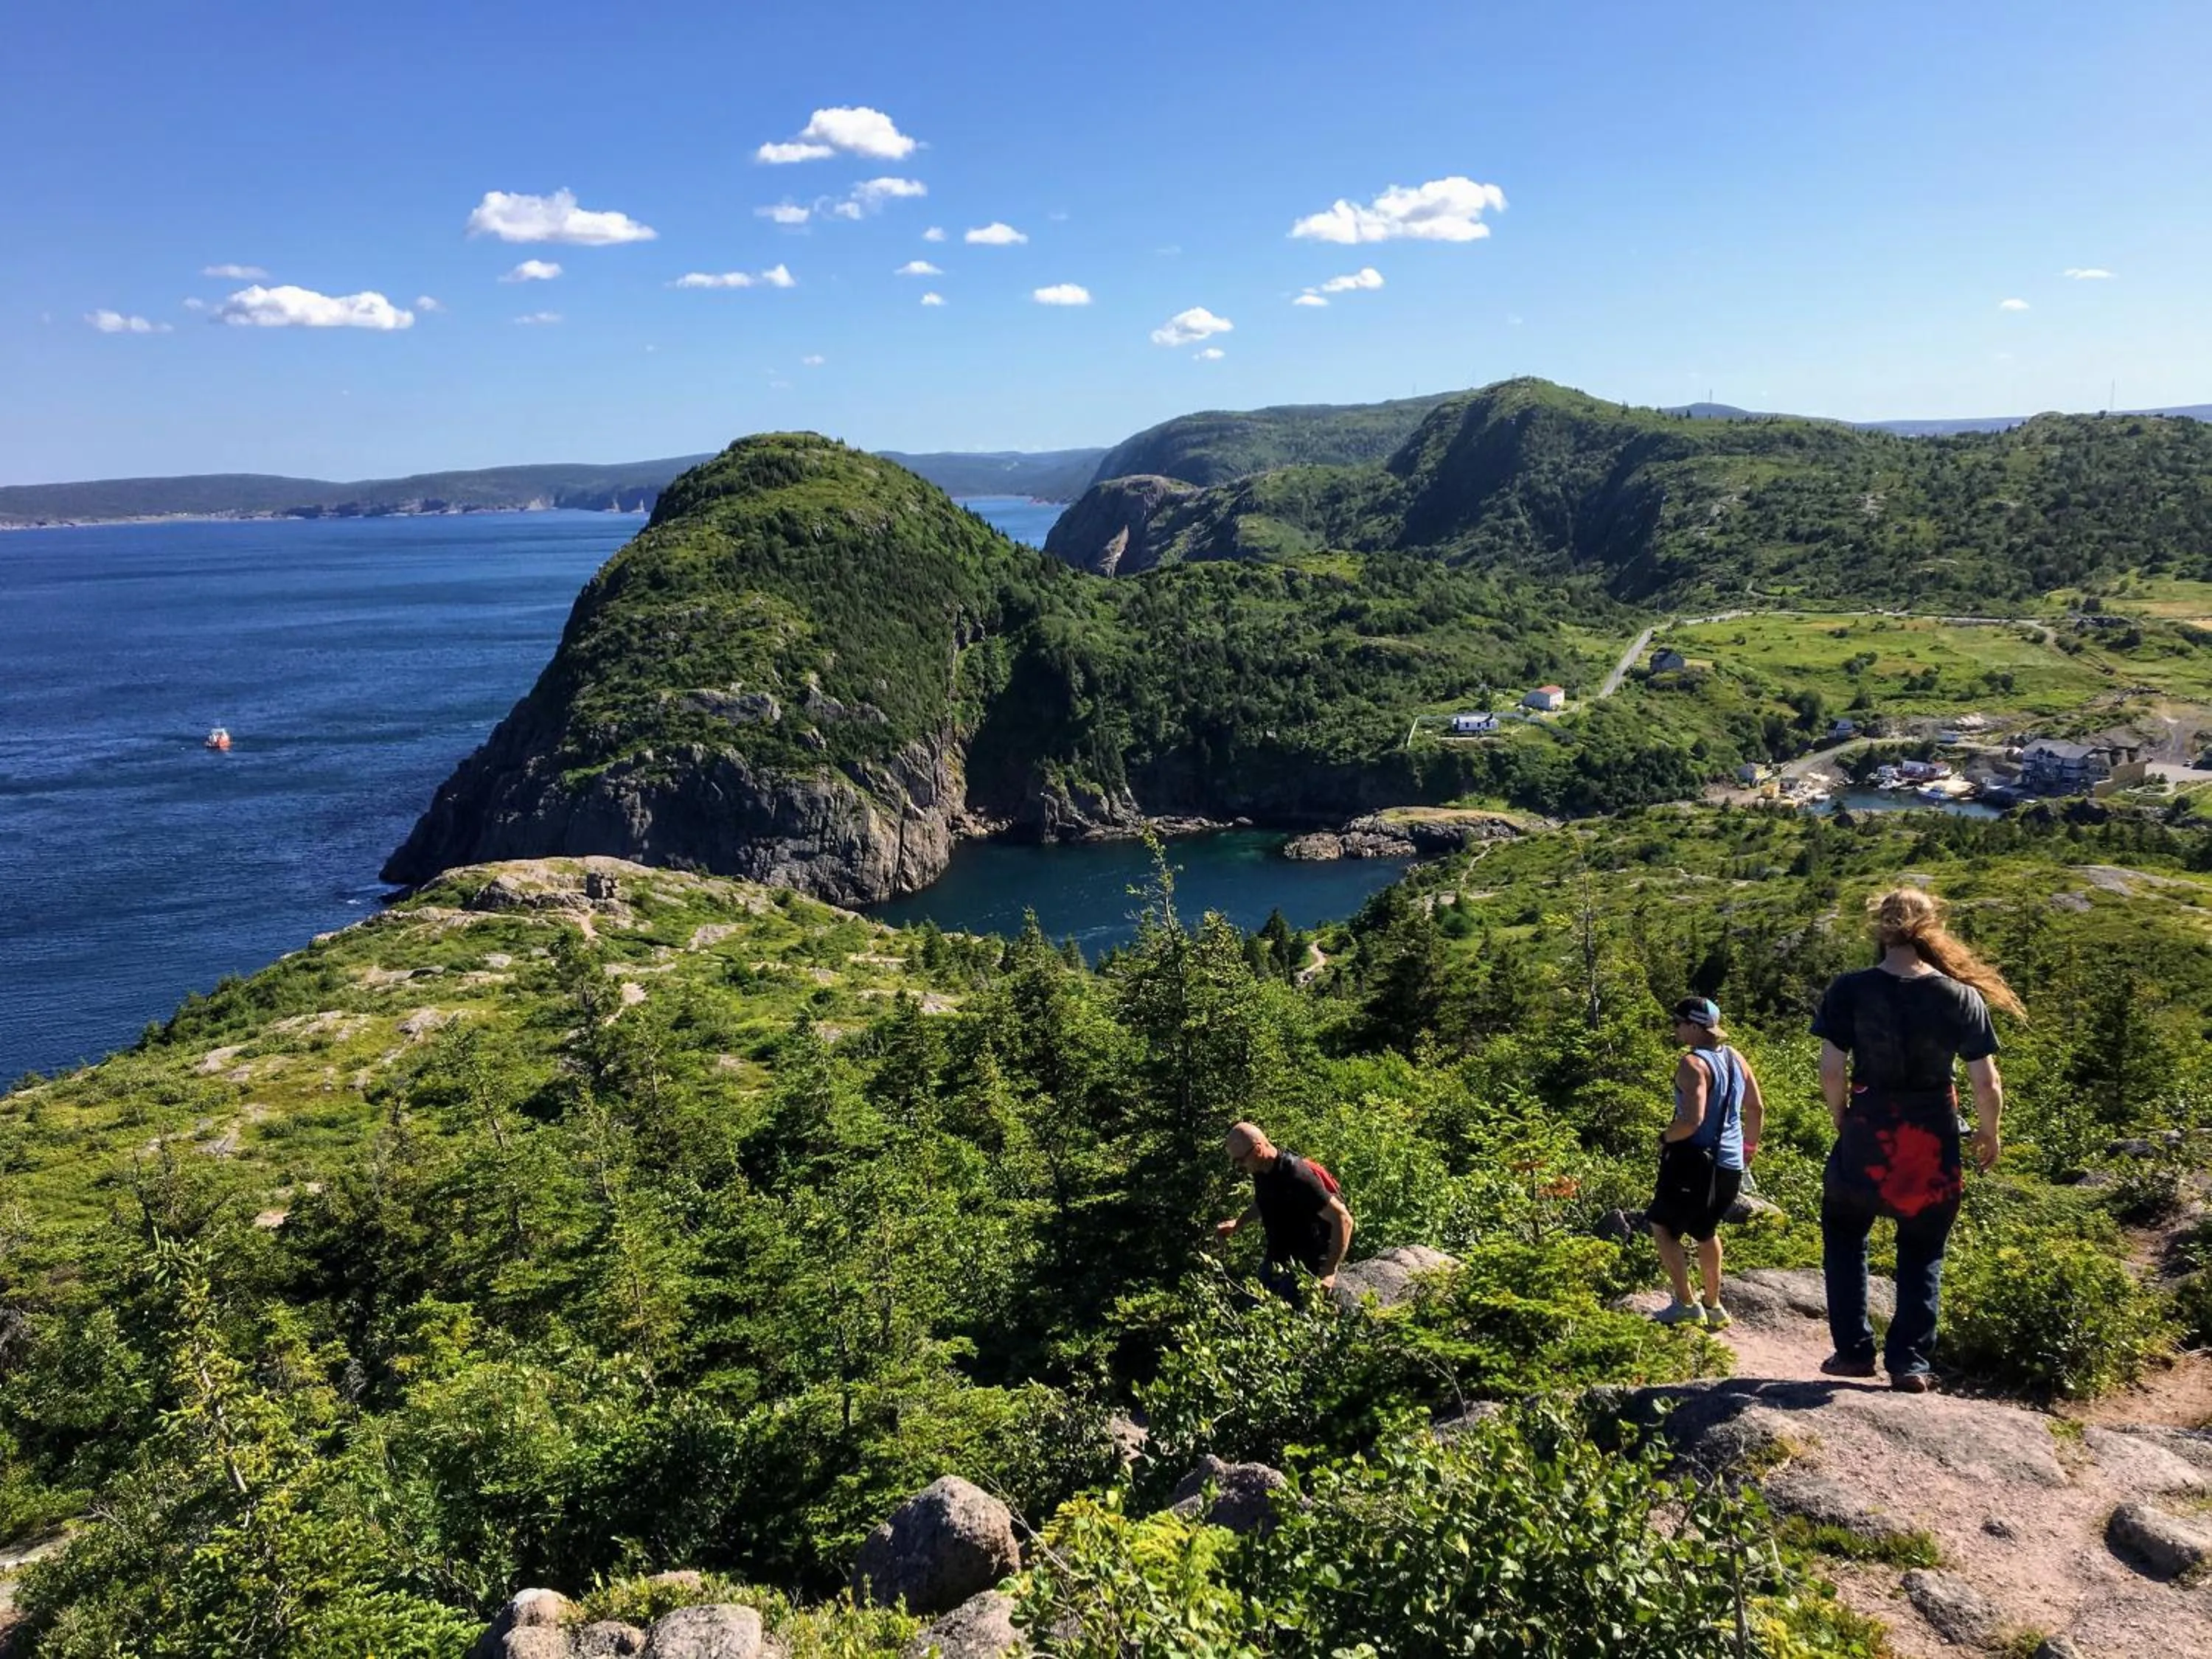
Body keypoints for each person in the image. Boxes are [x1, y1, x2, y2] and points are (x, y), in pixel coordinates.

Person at [1812, 888, 2019, 1393]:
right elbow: (1986, 1081)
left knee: (1844, 1235)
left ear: (1879, 929)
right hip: (1933, 1136)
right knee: (1923, 1249)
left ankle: (1854, 1352)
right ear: (1932, 928)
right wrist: (1989, 1132)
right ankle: (1909, 1363)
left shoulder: (1851, 989)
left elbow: (1831, 1070)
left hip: (1869, 1129)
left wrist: (1841, 1116)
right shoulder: (1959, 995)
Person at [1647, 995, 1764, 1332]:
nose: (1676, 1029)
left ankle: (1685, 1304)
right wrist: (1748, 1150)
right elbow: (1755, 1108)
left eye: (1679, 1023)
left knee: (1662, 1227)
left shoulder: (1693, 1064)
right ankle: (1713, 1305)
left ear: (1695, 1027)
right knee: (1705, 1229)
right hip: (1729, 1166)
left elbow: (1692, 1120)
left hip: (1694, 1164)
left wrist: (1665, 1138)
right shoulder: (1735, 1058)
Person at [1216, 1121, 1354, 1298]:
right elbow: (1263, 1201)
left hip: (1308, 1262)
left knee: (1291, 1310)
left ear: (1258, 1150)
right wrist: (1238, 1224)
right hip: (1278, 1258)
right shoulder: (1261, 1171)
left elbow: (1343, 1218)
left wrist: (1328, 1273)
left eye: (1240, 1160)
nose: (1238, 1166)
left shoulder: (1296, 1175)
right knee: (1254, 1307)